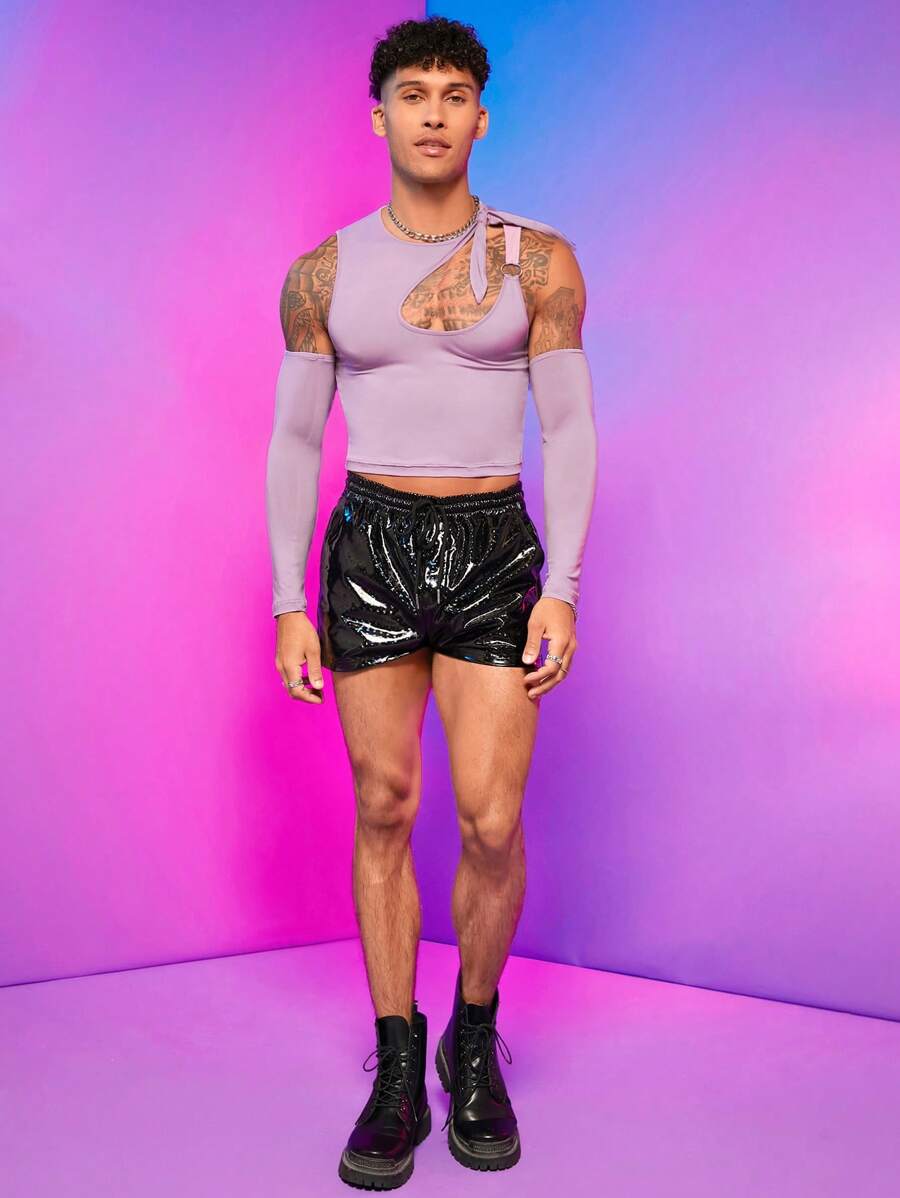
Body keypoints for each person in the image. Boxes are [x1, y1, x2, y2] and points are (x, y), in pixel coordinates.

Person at [265, 15, 598, 1189]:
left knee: (493, 820)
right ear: (380, 117)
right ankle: (399, 1058)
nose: (435, 113)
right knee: (385, 805)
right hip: (372, 549)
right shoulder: (323, 272)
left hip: (494, 544)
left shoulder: (539, 261)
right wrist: (288, 599)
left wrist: (563, 586)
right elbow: (295, 438)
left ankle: (474, 1032)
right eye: (414, 93)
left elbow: (569, 425)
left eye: (456, 94)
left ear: (482, 118)